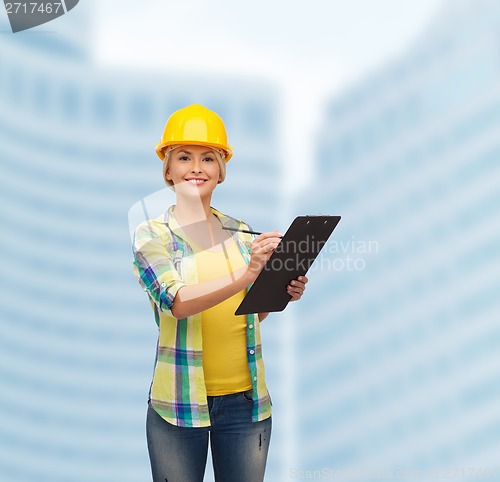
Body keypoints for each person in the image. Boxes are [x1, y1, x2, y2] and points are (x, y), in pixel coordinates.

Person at [132, 104, 308, 482]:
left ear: (221, 170)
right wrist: (247, 275)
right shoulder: (152, 235)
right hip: (178, 406)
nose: (196, 167)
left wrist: (279, 292)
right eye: (184, 157)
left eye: (208, 158)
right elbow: (177, 303)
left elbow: (248, 314)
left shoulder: (239, 231)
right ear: (168, 169)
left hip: (246, 406)